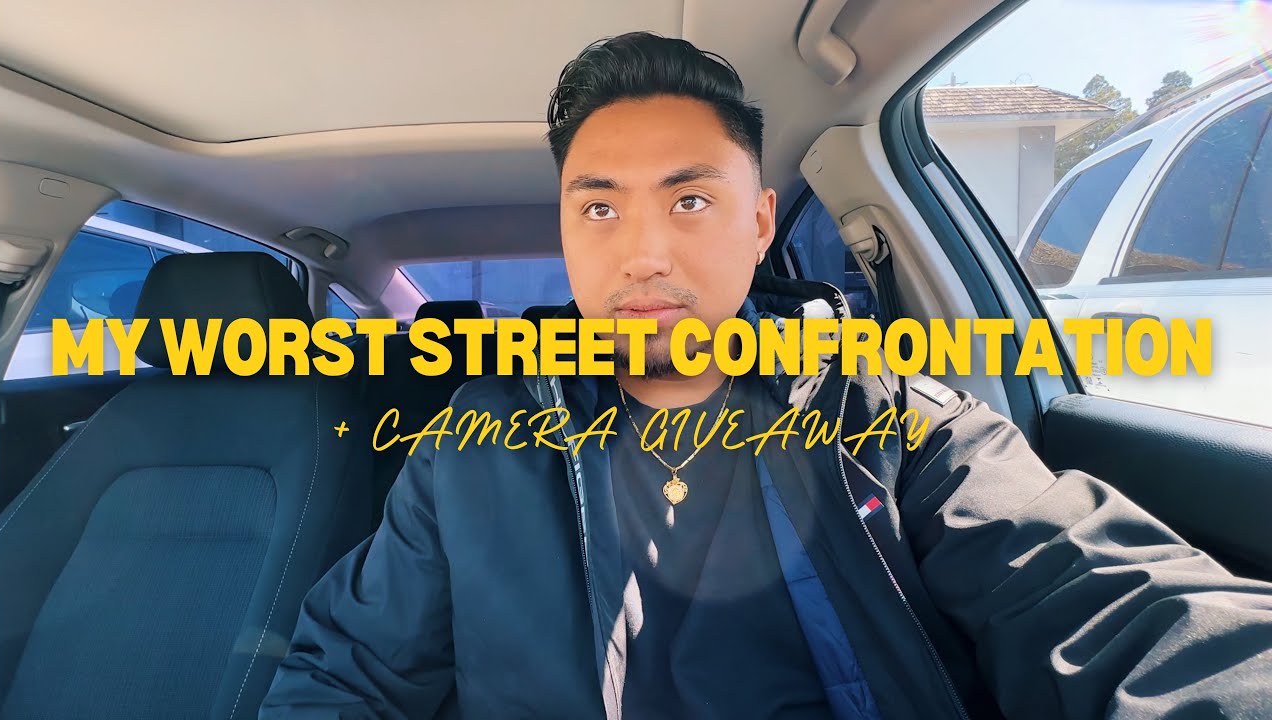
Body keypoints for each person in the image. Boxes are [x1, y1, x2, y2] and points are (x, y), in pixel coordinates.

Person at [260, 32, 1272, 720]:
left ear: (756, 225)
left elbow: (1108, 604)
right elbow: (347, 674)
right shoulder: (470, 450)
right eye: (599, 208)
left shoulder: (888, 417)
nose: (642, 253)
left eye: (689, 202)